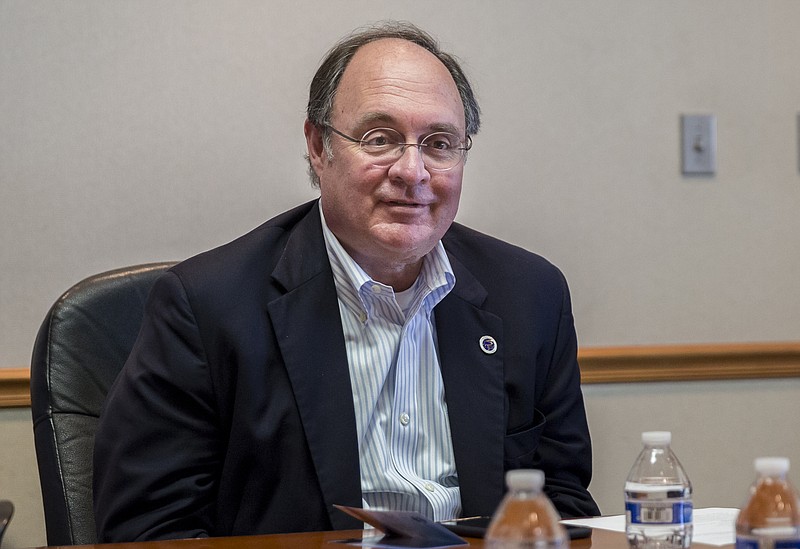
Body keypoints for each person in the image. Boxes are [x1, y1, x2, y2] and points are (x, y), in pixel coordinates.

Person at [93, 21, 600, 542]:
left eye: (440, 143)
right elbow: (149, 530)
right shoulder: (207, 307)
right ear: (318, 146)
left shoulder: (530, 295)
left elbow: (562, 505)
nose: (413, 171)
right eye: (379, 139)